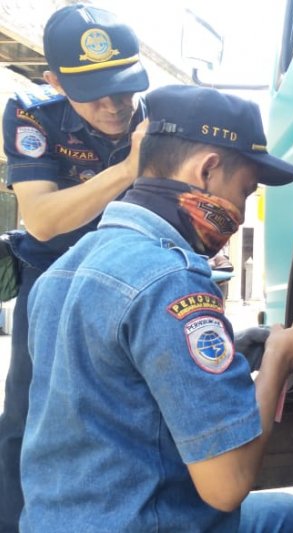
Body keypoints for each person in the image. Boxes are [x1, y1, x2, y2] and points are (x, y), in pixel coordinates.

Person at [22, 84, 293, 532]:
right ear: (208, 170)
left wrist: (235, 350)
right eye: (245, 190)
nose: (240, 210)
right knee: (288, 517)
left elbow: (113, 378)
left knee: (283, 513)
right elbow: (227, 484)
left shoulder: (63, 269)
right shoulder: (172, 280)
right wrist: (278, 362)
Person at [0, 4, 148, 529]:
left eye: (125, 86)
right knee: (30, 412)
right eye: (94, 91)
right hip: (52, 279)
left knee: (133, 408)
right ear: (55, 82)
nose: (115, 104)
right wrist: (130, 168)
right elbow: (41, 220)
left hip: (132, 278)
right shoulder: (30, 112)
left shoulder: (156, 113)